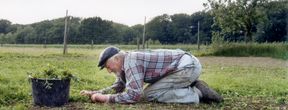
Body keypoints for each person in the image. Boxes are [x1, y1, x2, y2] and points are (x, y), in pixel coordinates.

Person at [80, 46, 223, 104]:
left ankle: (197, 93)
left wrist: (105, 98)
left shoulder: (131, 61)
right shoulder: (125, 64)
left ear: (117, 59)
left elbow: (134, 95)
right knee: (149, 92)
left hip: (187, 67)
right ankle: (192, 85)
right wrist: (96, 92)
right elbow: (119, 85)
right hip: (183, 66)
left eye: (107, 66)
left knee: (148, 94)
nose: (109, 70)